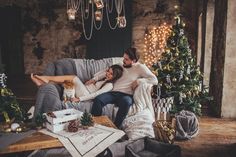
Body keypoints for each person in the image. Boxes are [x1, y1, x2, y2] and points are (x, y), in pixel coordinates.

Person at [88, 48, 158, 128]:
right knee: (98, 99)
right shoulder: (120, 65)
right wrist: (94, 79)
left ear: (134, 61)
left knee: (126, 102)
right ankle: (95, 125)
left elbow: (154, 80)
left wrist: (139, 81)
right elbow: (107, 71)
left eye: (126, 59)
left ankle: (116, 127)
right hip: (113, 93)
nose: (123, 60)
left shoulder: (140, 68)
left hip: (126, 95)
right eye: (123, 58)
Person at [31, 64, 123, 102]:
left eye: (111, 74)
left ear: (115, 76)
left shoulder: (109, 85)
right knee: (65, 83)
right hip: (84, 89)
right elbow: (99, 74)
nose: (108, 74)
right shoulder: (105, 78)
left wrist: (79, 99)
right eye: (108, 71)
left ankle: (46, 78)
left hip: (86, 95)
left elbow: (95, 95)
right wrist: (94, 79)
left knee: (73, 77)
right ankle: (42, 83)